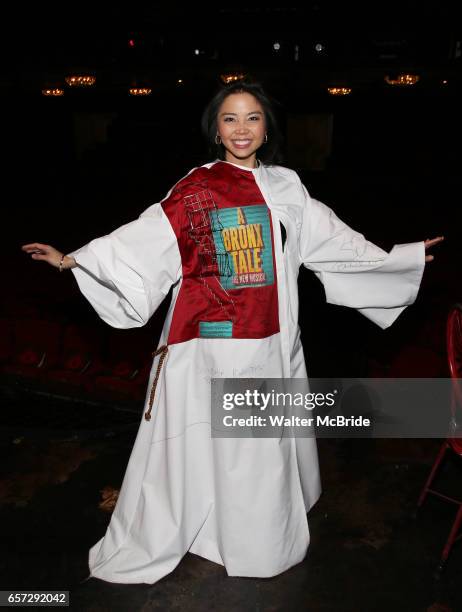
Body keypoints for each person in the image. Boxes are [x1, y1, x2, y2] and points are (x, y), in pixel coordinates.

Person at [21, 81, 443, 585]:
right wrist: (72, 261)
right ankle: (206, 529)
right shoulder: (198, 186)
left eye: (252, 118)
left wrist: (399, 261)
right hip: (214, 342)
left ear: (266, 129)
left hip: (275, 341)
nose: (241, 129)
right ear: (216, 128)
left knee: (258, 440)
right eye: (230, 119)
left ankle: (255, 537)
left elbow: (333, 242)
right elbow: (147, 237)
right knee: (222, 439)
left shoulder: (287, 186)